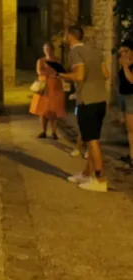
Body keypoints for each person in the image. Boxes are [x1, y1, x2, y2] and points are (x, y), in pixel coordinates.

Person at [60, 25, 109, 193]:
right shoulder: (95, 51)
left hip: (87, 101)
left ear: (69, 36)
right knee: (92, 138)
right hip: (101, 99)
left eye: (66, 35)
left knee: (92, 140)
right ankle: (87, 174)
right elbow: (106, 74)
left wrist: (62, 75)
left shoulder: (74, 52)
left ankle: (100, 179)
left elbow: (79, 76)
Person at [29, 42, 66, 140]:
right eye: (45, 49)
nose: (47, 51)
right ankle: (43, 131)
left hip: (55, 87)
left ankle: (54, 132)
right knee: (43, 110)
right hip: (44, 87)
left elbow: (60, 71)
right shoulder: (41, 61)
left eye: (49, 48)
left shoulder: (57, 60)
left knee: (54, 110)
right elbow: (39, 71)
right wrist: (52, 73)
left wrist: (51, 73)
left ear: (52, 49)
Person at [117, 40, 133, 166]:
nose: (123, 53)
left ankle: (132, 157)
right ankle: (131, 154)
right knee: (127, 129)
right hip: (123, 97)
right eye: (121, 51)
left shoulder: (129, 65)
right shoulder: (123, 63)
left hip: (130, 98)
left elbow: (131, 80)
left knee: (131, 130)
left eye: (126, 51)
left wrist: (126, 66)